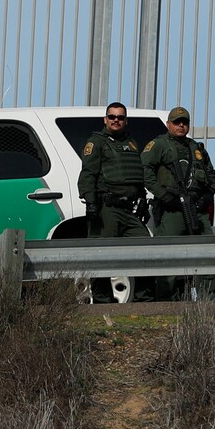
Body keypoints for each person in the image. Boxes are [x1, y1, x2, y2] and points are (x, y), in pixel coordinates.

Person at [141, 106, 215, 300]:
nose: (181, 125)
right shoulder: (159, 145)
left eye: (184, 122)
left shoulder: (196, 148)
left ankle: (207, 302)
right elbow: (145, 171)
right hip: (172, 209)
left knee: (207, 255)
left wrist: (207, 196)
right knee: (169, 256)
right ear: (168, 124)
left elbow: (211, 175)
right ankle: (164, 302)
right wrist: (163, 195)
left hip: (196, 209)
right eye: (177, 122)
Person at [77, 102, 152, 301]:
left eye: (120, 117)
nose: (116, 120)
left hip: (129, 210)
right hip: (107, 208)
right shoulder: (97, 142)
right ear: (105, 119)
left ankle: (144, 300)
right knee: (102, 255)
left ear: (126, 120)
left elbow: (136, 175)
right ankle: (103, 301)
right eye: (112, 117)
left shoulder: (131, 143)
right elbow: (87, 174)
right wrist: (91, 203)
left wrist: (143, 200)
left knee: (147, 249)